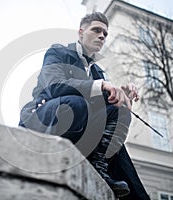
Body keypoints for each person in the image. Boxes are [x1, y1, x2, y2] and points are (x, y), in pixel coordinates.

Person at [19, 12, 150, 199]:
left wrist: (121, 96)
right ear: (81, 32)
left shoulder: (98, 71)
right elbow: (54, 85)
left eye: (105, 33)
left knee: (124, 161)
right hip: (44, 117)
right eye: (96, 30)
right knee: (77, 103)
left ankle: (100, 165)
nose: (102, 36)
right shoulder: (58, 52)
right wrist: (101, 86)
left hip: (82, 128)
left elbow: (106, 110)